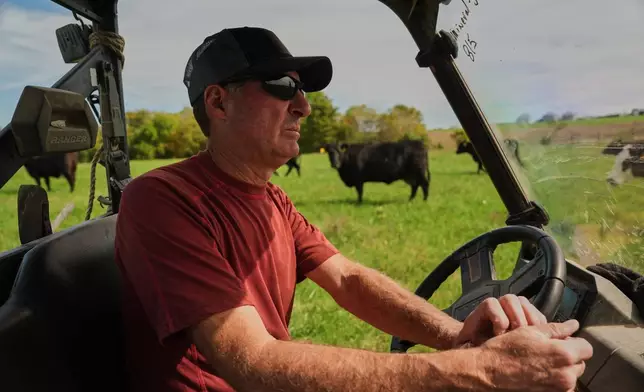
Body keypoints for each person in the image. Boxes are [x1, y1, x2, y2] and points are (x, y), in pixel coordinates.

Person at [114, 26, 592, 392]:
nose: (304, 105)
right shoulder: (162, 199)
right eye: (282, 85)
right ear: (218, 102)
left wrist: (457, 336)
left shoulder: (272, 198)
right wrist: (480, 369)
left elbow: (348, 280)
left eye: (303, 90)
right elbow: (251, 362)